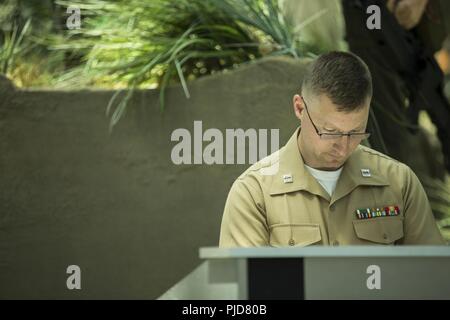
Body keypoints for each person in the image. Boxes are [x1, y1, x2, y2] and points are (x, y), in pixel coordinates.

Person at [219, 51, 445, 247]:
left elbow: (432, 277)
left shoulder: (398, 182)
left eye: (356, 131)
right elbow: (245, 287)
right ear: (299, 108)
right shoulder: (254, 193)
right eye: (330, 132)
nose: (343, 146)